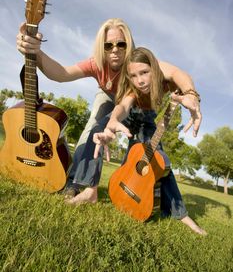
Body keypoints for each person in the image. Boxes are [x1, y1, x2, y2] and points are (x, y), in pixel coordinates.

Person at [16, 19, 202, 205]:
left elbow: (177, 73)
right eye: (108, 45)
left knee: (145, 148)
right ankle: (79, 184)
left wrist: (191, 94)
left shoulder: (139, 63)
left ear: (128, 45)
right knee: (94, 129)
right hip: (108, 97)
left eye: (121, 44)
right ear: (101, 47)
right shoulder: (96, 63)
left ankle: (141, 191)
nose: (115, 50)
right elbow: (62, 73)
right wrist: (36, 51)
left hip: (133, 103)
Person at [93, 47, 206, 235]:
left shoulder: (163, 71)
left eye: (144, 72)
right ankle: (86, 188)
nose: (140, 80)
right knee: (100, 132)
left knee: (158, 162)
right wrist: (112, 121)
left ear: (153, 67)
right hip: (128, 115)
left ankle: (180, 213)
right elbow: (123, 106)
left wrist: (192, 96)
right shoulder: (132, 87)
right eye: (134, 76)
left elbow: (181, 75)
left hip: (147, 117)